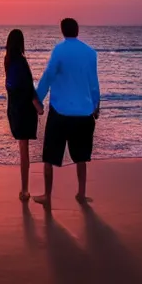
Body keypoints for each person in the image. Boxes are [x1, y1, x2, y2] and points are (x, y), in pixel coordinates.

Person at [33, 18, 101, 206]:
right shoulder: (90, 53)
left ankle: (47, 196)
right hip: (84, 113)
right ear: (77, 30)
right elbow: (94, 84)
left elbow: (48, 76)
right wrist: (97, 105)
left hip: (60, 112)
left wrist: (38, 98)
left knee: (49, 156)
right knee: (81, 157)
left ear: (63, 31)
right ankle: (81, 193)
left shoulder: (59, 51)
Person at [4, 29, 45, 201]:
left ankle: (24, 189)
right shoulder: (20, 62)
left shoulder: (8, 61)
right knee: (24, 152)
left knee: (23, 149)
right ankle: (25, 189)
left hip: (14, 109)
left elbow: (13, 87)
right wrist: (39, 106)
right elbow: (28, 87)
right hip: (24, 110)